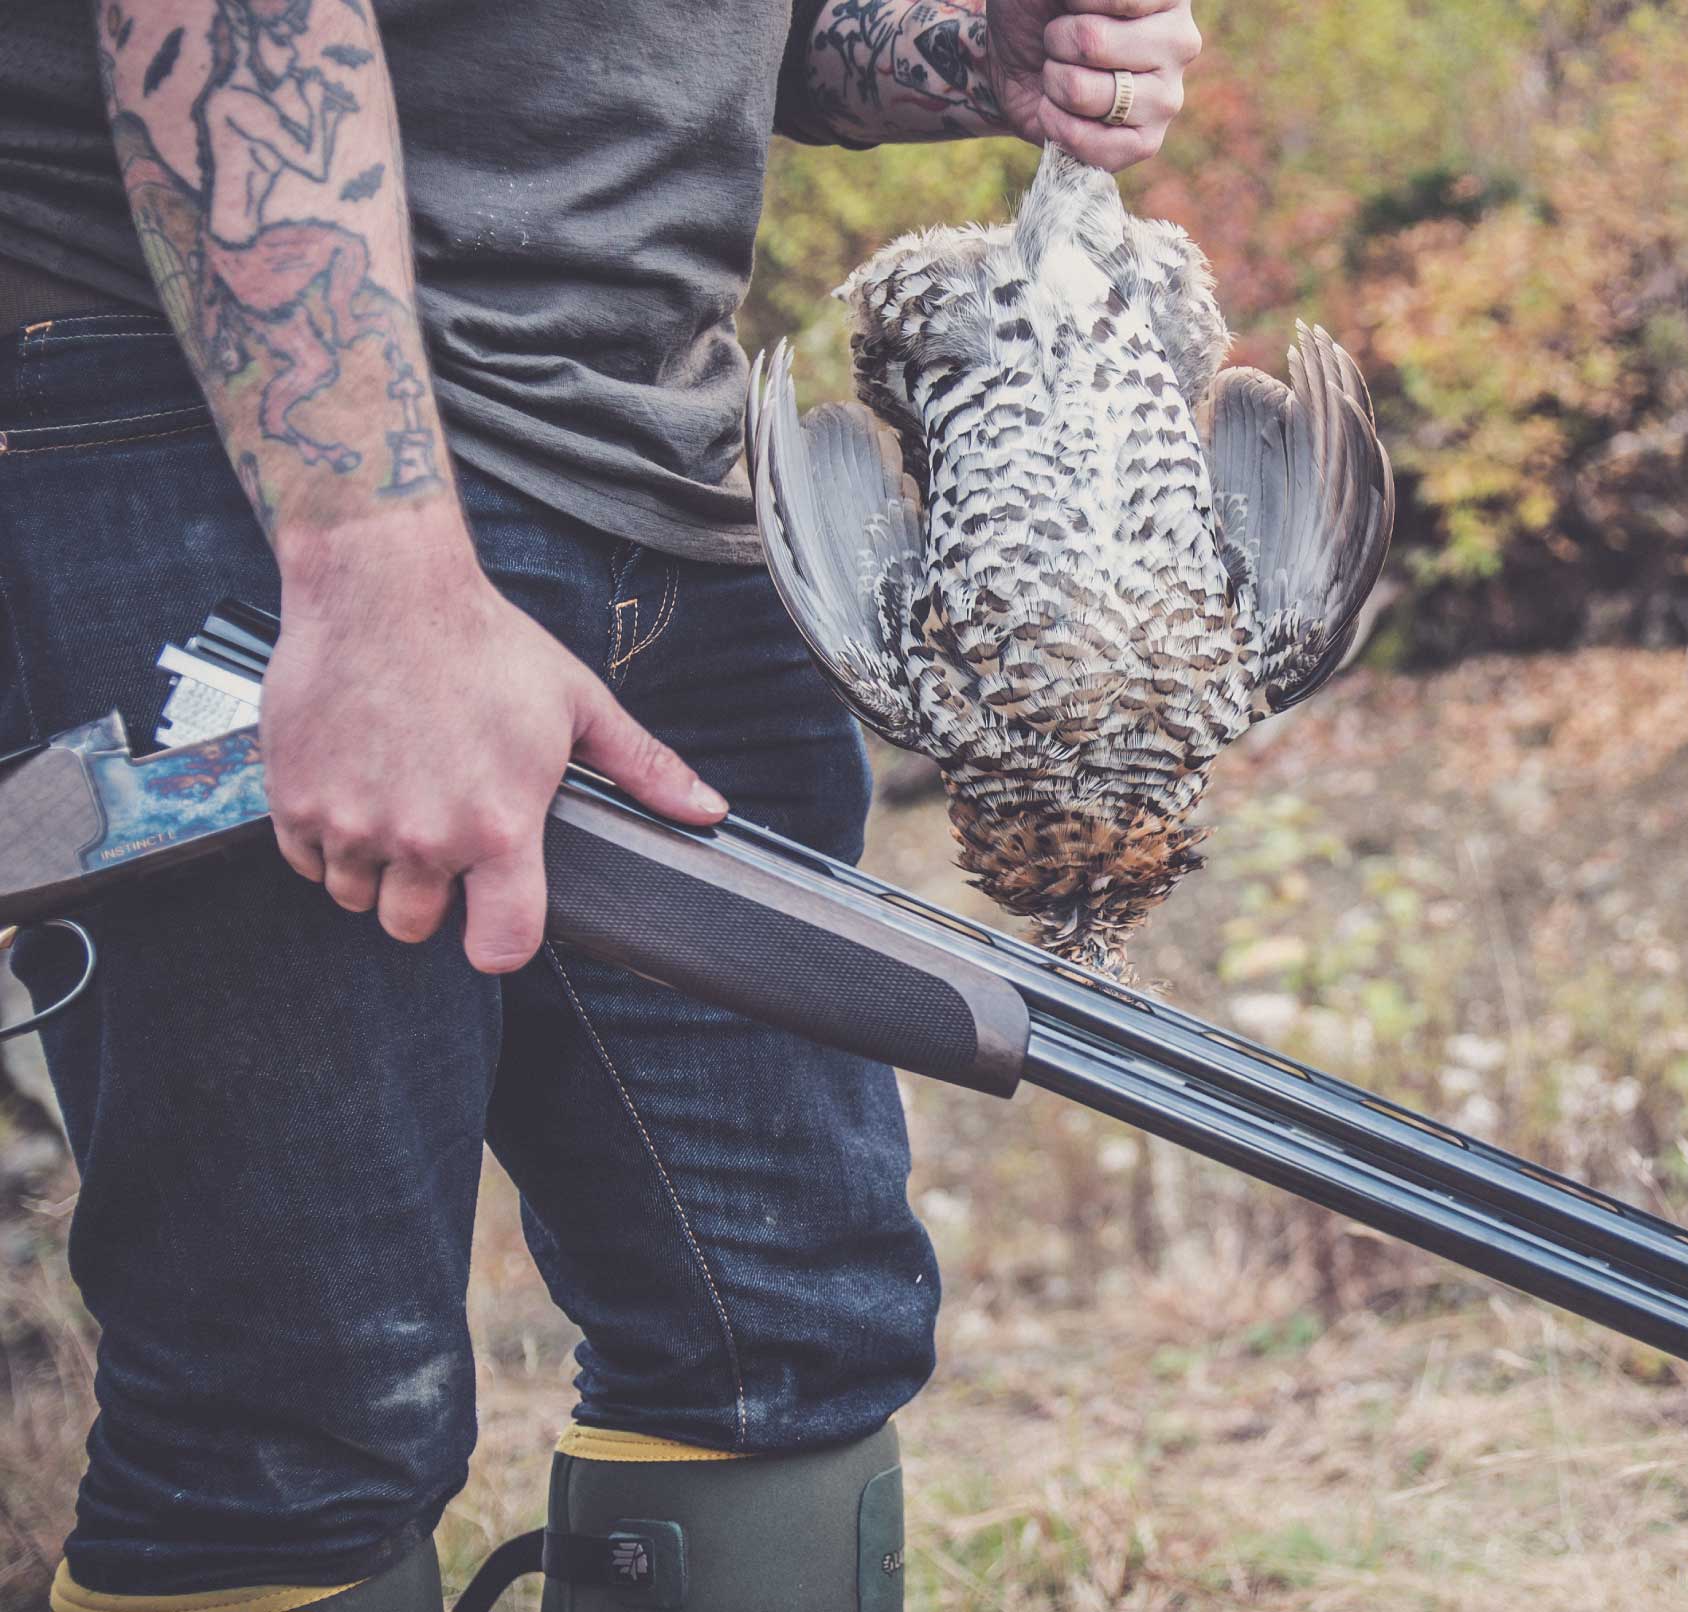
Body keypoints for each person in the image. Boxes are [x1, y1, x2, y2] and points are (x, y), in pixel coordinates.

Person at [0, 0, 1199, 1606]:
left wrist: (975, 50)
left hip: (657, 458)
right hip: (242, 447)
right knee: (289, 1425)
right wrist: (367, 571)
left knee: (792, 1337)